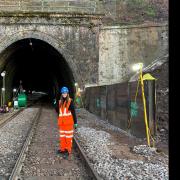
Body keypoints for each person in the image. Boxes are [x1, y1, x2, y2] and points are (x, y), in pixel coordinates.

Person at [57, 86, 78, 156]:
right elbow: (58, 111)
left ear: (67, 93)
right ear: (61, 94)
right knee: (62, 137)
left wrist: (75, 122)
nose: (64, 94)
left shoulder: (70, 101)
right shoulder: (60, 102)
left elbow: (73, 112)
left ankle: (68, 150)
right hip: (62, 123)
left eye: (65, 92)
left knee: (68, 137)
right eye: (63, 93)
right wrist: (54, 104)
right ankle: (62, 149)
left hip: (68, 123)